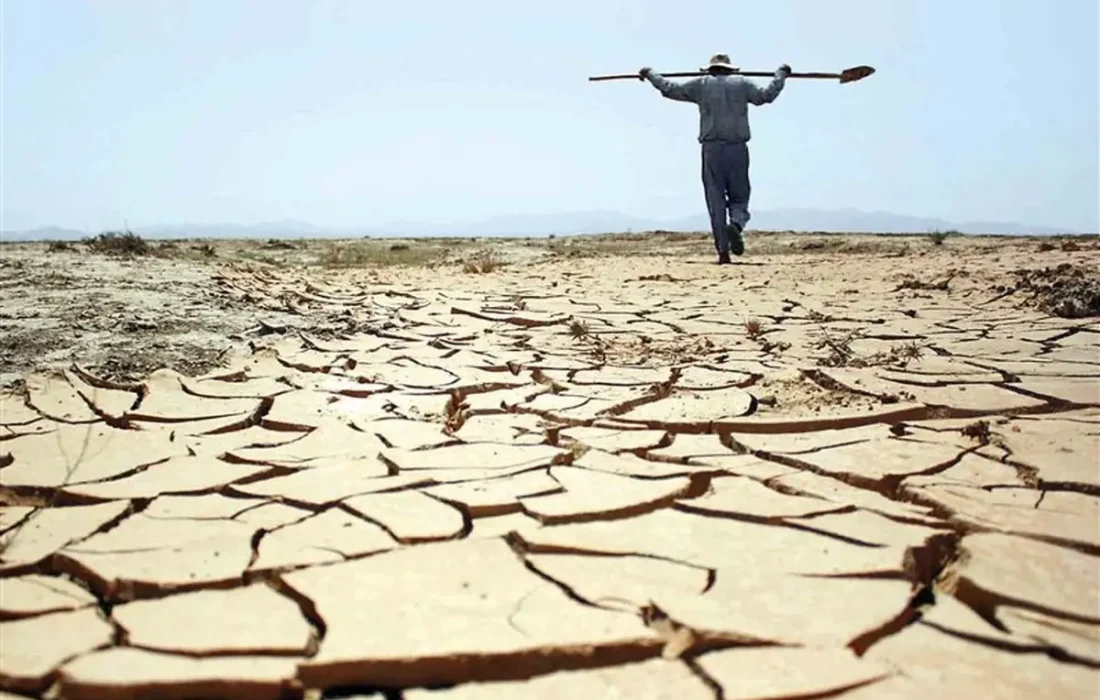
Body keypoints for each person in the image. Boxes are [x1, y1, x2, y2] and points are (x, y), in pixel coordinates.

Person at [639, 54, 791, 264]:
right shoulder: (743, 83)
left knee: (715, 200)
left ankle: (723, 251)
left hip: (712, 150)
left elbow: (669, 88)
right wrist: (780, 74)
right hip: (737, 148)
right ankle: (736, 225)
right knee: (740, 196)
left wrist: (650, 74)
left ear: (711, 69)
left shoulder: (701, 84)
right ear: (730, 69)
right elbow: (766, 95)